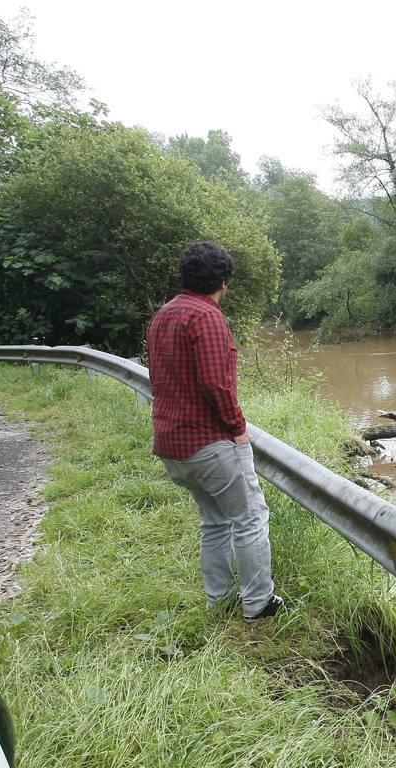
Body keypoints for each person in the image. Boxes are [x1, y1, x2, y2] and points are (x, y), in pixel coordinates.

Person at [146, 242, 284, 621]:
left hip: (172, 446)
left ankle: (219, 599)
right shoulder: (206, 317)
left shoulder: (163, 316)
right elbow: (215, 384)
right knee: (251, 518)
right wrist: (238, 428)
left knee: (215, 521)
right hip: (208, 443)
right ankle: (258, 604)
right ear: (224, 281)